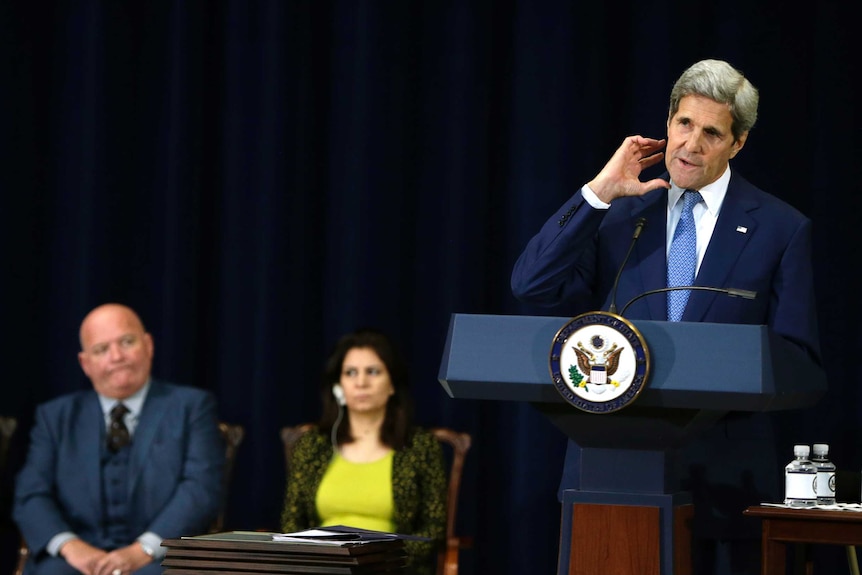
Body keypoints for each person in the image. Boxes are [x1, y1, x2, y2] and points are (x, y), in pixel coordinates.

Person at [511, 59, 821, 575]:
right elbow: (531, 284)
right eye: (683, 124)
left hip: (725, 478)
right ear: (668, 122)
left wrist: (726, 369)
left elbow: (801, 363)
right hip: (612, 472)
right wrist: (599, 193)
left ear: (737, 143)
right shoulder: (619, 215)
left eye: (711, 132)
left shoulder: (780, 229)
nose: (690, 145)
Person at [13, 303, 225, 575]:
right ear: (85, 363)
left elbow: (200, 489)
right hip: (75, 558)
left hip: (160, 556)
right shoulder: (54, 417)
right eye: (101, 349)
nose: (116, 356)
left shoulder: (192, 407)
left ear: (148, 345)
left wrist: (144, 550)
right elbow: (31, 495)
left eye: (126, 342)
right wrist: (71, 546)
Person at [280, 329, 446, 575]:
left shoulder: (420, 447)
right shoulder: (313, 445)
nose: (361, 383)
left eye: (373, 372)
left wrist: (374, 560)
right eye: (350, 373)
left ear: (392, 384)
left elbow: (433, 529)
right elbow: (291, 523)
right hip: (322, 568)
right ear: (338, 387)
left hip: (392, 568)